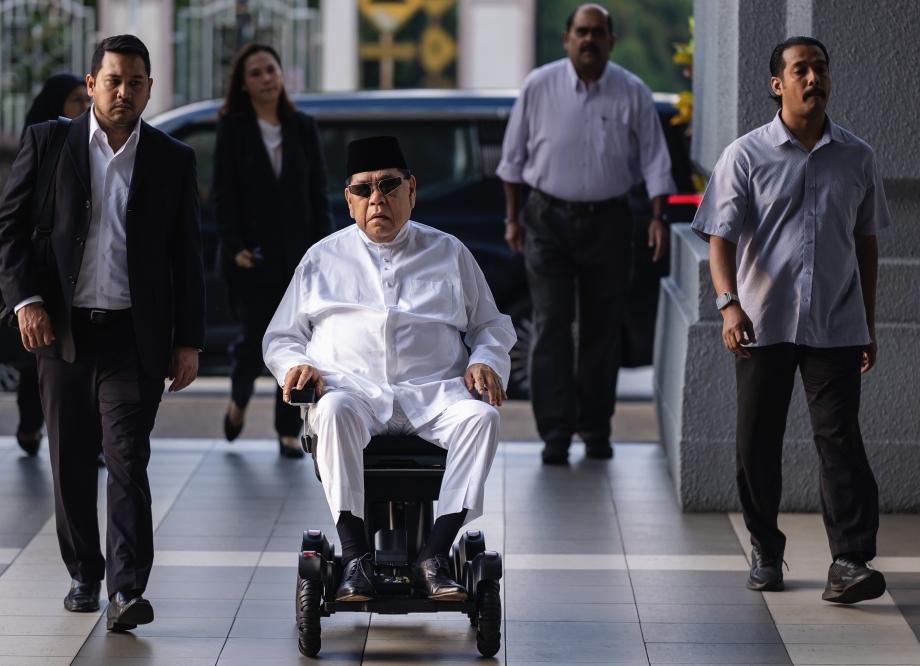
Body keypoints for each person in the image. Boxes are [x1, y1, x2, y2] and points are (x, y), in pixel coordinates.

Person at [0, 35, 205, 630]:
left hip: (133, 338)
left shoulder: (171, 158)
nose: (124, 92)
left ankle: (126, 589)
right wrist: (27, 301)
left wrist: (188, 340)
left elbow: (187, 257)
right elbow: (6, 230)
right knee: (71, 462)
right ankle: (85, 571)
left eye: (136, 82)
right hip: (60, 332)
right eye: (113, 81)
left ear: (150, 89)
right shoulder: (49, 142)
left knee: (128, 461)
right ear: (91, 85)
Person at [264, 136, 516, 601]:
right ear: (349, 200)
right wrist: (296, 365)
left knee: (483, 418)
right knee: (334, 409)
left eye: (388, 185)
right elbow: (281, 336)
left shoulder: (450, 252)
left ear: (411, 190)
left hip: (435, 395)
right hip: (352, 393)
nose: (376, 198)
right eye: (363, 190)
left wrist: (484, 360)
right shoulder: (322, 258)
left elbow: (492, 325)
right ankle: (356, 556)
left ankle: (435, 556)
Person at [692, 36, 889, 604]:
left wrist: (868, 324)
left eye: (820, 69)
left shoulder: (858, 157)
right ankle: (766, 549)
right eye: (800, 70)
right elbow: (720, 241)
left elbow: (866, 244)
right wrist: (729, 306)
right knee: (758, 440)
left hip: (835, 322)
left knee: (840, 440)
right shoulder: (745, 155)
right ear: (777, 84)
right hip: (762, 322)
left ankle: (849, 559)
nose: (813, 78)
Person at [497, 3, 675, 464]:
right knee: (552, 323)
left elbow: (656, 161)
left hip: (610, 220)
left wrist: (657, 217)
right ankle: (555, 433)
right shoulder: (539, 85)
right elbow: (512, 161)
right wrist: (513, 218)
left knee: (602, 329)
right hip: (546, 219)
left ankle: (596, 430)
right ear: (567, 38)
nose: (589, 40)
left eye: (598, 33)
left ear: (611, 41)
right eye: (581, 32)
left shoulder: (632, 92)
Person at [213, 43, 333, 456]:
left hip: (298, 258)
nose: (266, 78)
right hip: (251, 258)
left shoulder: (303, 126)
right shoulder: (233, 127)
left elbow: (318, 193)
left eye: (271, 70)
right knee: (254, 340)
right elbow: (223, 195)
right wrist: (235, 246)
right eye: (256, 73)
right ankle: (240, 397)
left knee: (297, 342)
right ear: (243, 84)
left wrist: (326, 250)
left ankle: (287, 428)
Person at [0, 73, 91, 457]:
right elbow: (10, 220)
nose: (84, 108)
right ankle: (30, 425)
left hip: (79, 281)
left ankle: (85, 441)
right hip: (40, 276)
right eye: (75, 100)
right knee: (32, 362)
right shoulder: (43, 141)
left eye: (87, 100)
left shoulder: (95, 147)